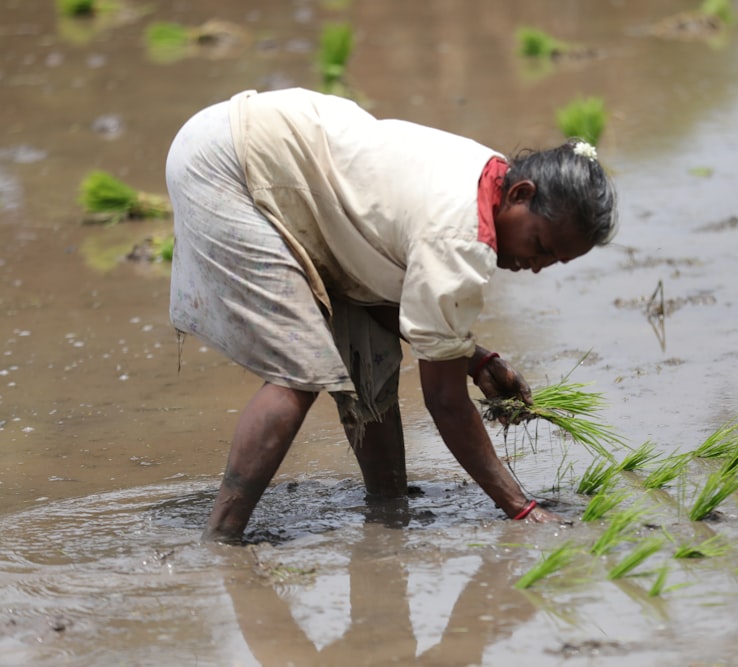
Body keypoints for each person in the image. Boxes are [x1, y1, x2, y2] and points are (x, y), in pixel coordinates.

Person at [164, 87, 618, 544]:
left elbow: (394, 308)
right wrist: (522, 509)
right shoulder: (460, 236)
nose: (535, 265)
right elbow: (444, 402)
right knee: (300, 369)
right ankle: (220, 540)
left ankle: (386, 506)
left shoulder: (490, 175)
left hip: (288, 174)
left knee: (371, 357)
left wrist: (476, 361)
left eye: (552, 261)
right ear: (522, 194)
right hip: (231, 166)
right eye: (539, 245)